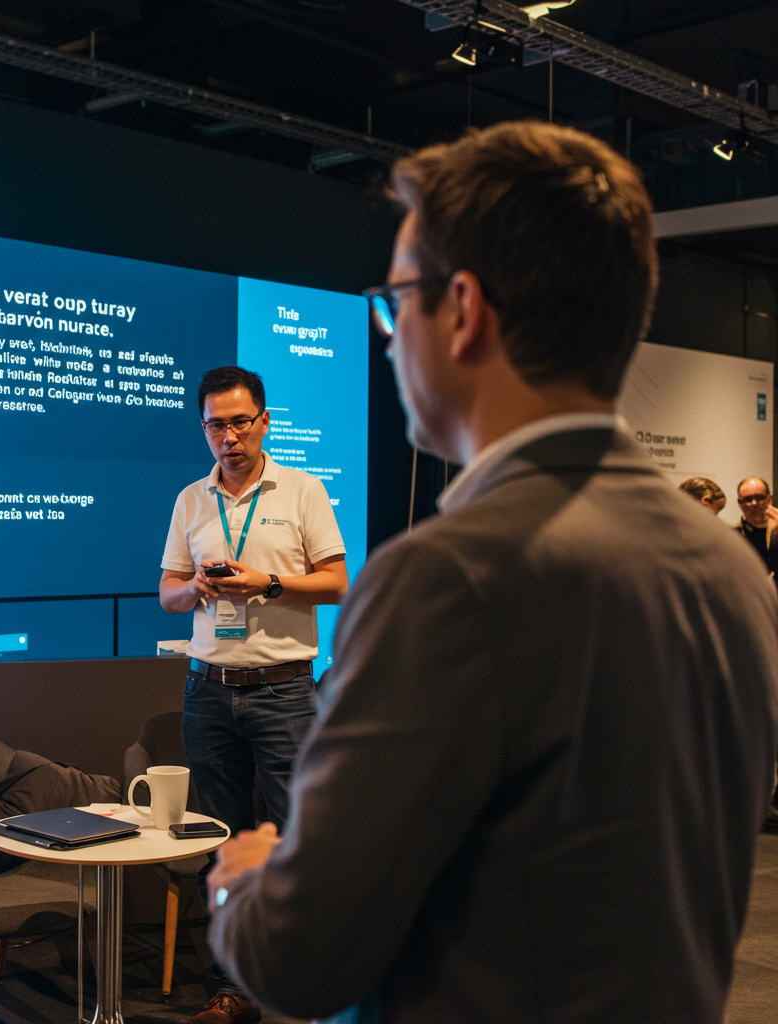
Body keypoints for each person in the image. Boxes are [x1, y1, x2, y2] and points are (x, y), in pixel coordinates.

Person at [205, 121, 778, 1024]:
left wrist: (244, 885)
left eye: (395, 304)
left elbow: (297, 958)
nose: (390, 340)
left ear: (464, 309)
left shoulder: (447, 578)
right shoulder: (733, 572)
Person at [159, 364, 348, 1024]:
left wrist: (267, 583)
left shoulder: (301, 490)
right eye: (216, 424)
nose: (229, 436)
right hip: (207, 692)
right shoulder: (191, 499)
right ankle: (231, 988)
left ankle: (306, 986)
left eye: (241, 422)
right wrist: (199, 591)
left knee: (299, 838)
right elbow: (167, 592)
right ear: (203, 428)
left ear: (264, 422)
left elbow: (336, 582)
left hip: (284, 692)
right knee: (222, 842)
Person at [735, 477, 778, 576]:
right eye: (747, 499)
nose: (754, 503)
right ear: (740, 503)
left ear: (769, 499)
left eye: (759, 498)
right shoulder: (732, 536)